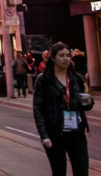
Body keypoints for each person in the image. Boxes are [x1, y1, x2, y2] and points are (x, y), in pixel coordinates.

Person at [34, 42, 94, 176]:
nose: (66, 58)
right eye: (61, 55)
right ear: (53, 58)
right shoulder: (44, 80)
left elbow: (86, 105)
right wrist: (44, 135)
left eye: (68, 55)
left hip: (77, 133)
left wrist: (88, 102)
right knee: (59, 172)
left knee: (82, 171)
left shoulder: (76, 78)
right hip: (55, 134)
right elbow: (38, 108)